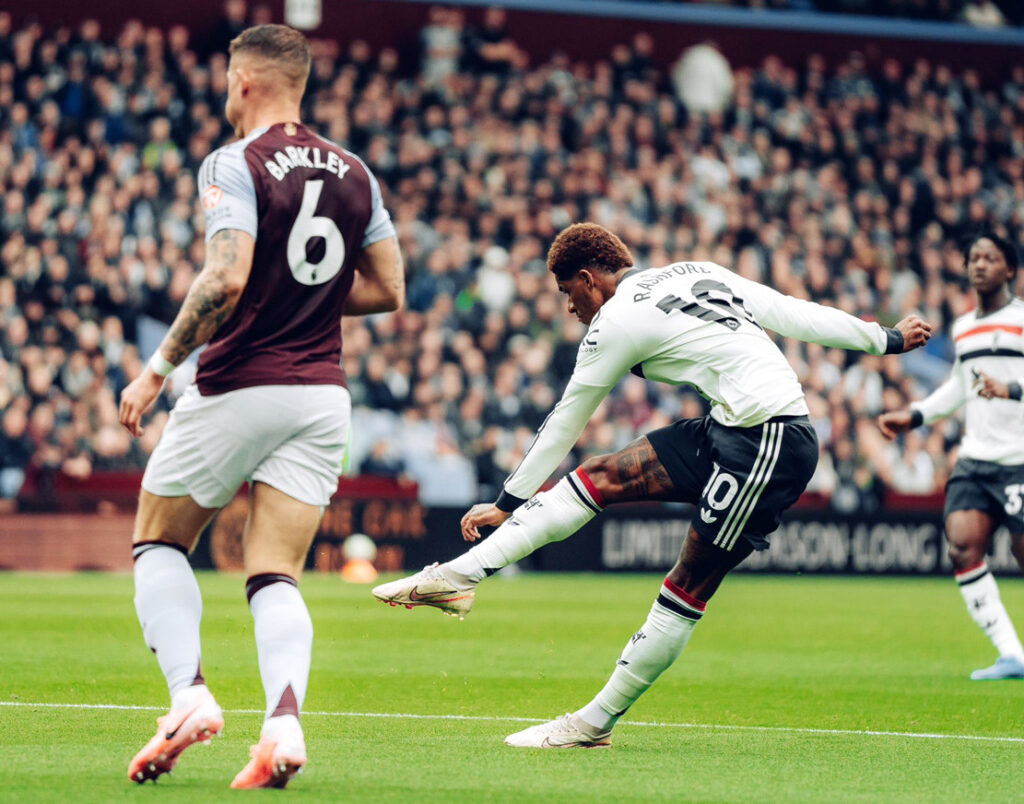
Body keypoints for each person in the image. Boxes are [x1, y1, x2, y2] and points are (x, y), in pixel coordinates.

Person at [373, 222, 928, 747]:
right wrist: (885, 338)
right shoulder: (698, 270)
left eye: (570, 292)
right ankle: (456, 577)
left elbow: (566, 417)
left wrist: (507, 501)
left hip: (769, 442)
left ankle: (593, 722)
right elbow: (790, 312)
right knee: (601, 476)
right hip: (728, 425)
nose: (570, 307)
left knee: (687, 582)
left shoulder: (614, 319)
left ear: (592, 280)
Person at [119, 24, 403, 787]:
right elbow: (389, 289)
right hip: (321, 397)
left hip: (240, 382)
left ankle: (189, 699)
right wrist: (304, 299)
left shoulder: (234, 161)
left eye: (225, 80)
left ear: (243, 81)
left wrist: (155, 371)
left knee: (157, 541)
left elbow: (223, 278)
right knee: (275, 571)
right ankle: (282, 724)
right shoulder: (355, 172)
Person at [879, 231, 1024, 681]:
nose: (979, 264)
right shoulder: (963, 327)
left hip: (1019, 457)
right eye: (973, 258)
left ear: (1010, 269)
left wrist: (1012, 389)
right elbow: (959, 387)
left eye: (990, 257)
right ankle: (1011, 654)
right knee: (961, 547)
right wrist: (916, 414)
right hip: (976, 458)